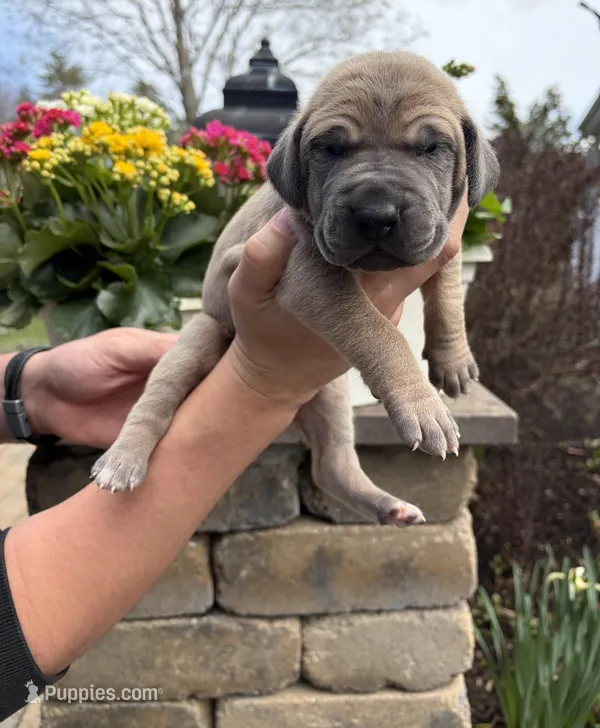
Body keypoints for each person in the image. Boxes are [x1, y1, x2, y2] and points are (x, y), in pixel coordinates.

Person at [0, 200, 467, 720]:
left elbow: (444, 261)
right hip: (224, 320)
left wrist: (28, 386)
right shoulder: (301, 199)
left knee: (335, 445)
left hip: (292, 331)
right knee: (175, 372)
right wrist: (263, 384)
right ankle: (131, 446)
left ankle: (351, 484)